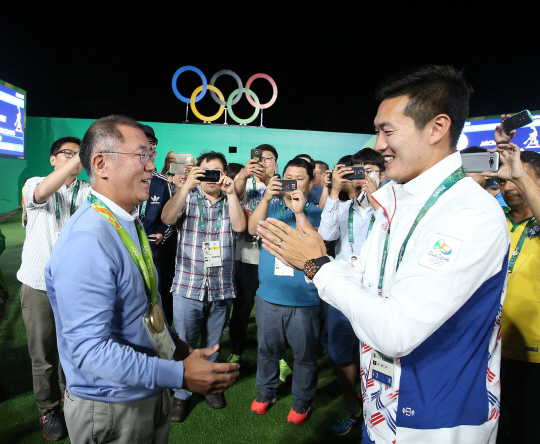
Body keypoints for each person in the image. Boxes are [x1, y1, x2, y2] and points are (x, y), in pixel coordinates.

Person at [256, 65, 509, 444]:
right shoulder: (393, 199)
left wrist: (316, 265)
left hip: (435, 424)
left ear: (437, 128)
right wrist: (314, 258)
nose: (377, 145)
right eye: (378, 130)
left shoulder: (468, 213)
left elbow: (396, 330)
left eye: (387, 131)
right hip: (382, 410)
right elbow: (367, 284)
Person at [45, 116, 239, 443]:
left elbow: (143, 308)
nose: (152, 167)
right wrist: (178, 373)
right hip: (111, 406)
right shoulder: (87, 240)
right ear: (102, 163)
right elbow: (90, 352)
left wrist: (176, 349)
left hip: (145, 388)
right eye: (142, 156)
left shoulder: (126, 222)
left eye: (150, 155)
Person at [162, 151, 246, 422]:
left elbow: (240, 226)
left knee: (213, 342)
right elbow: (167, 218)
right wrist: (186, 185)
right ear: (197, 172)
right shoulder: (187, 197)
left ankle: (210, 384)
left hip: (221, 285)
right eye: (206, 171)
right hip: (188, 284)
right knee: (184, 343)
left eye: (217, 172)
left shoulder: (230, 199)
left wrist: (232, 193)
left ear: (225, 175)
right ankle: (181, 392)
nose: (212, 177)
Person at [17, 136, 91, 441]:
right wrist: (84, 155)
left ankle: (69, 398)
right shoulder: (36, 182)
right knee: (43, 355)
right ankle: (47, 409)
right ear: (53, 159)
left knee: (72, 350)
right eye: (67, 154)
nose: (74, 159)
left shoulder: (88, 191)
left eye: (79, 155)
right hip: (38, 285)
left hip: (74, 287)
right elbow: (42, 192)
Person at [248, 157, 322, 426]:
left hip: (304, 300)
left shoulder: (316, 211)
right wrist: (267, 198)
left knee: (304, 356)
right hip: (268, 296)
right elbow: (249, 227)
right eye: (287, 177)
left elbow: (320, 246)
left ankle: (302, 401)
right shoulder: (271, 206)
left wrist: (300, 212)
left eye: (299, 178)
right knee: (266, 350)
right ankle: (265, 392)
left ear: (311, 182)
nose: (292, 182)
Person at [318, 148, 385, 436]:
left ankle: (379, 413)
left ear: (383, 174)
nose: (364, 178)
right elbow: (326, 236)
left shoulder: (394, 207)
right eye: (359, 171)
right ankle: (352, 407)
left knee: (380, 358)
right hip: (344, 295)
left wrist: (379, 201)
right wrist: (333, 191)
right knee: (341, 355)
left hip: (379, 296)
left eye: (371, 171)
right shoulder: (343, 207)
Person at [487, 118, 540, 444]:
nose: (510, 186)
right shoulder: (494, 217)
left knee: (529, 428)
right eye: (506, 179)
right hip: (491, 345)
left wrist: (518, 169)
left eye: (519, 179)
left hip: (534, 355)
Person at [227, 145, 279, 365]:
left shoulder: (282, 183)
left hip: (275, 256)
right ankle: (236, 349)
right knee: (242, 306)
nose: (264, 162)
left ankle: (278, 353)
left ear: (276, 162)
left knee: (276, 308)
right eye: (260, 158)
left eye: (269, 159)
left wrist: (269, 181)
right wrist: (243, 174)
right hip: (247, 255)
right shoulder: (247, 182)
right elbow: (235, 193)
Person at [137, 125, 175, 323]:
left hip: (154, 254)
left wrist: (162, 233)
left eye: (152, 143)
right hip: (128, 252)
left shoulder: (162, 183)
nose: (149, 147)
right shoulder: (125, 178)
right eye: (144, 142)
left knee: (155, 299)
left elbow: (169, 219)